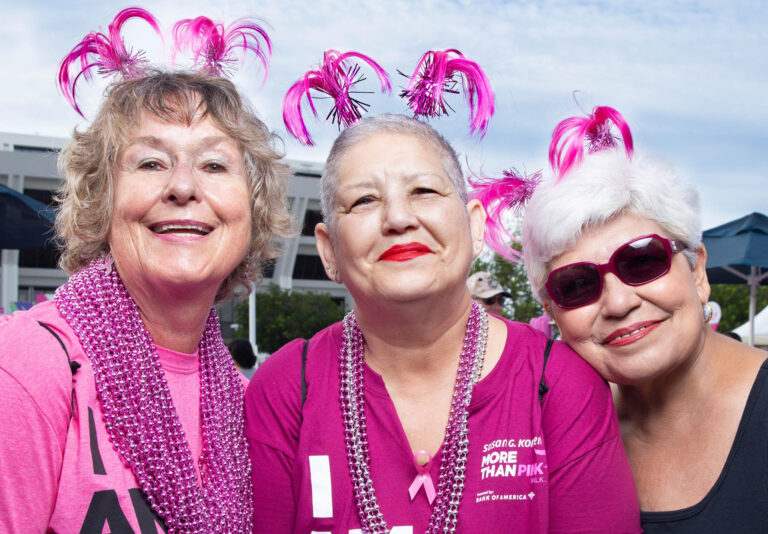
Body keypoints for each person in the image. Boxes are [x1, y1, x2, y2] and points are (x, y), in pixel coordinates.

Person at [245, 114, 641, 533]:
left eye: (424, 190)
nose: (398, 218)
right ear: (328, 251)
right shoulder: (288, 387)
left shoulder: (558, 382)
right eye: (364, 201)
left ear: (473, 226)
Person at [0, 67, 291, 534]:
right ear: (102, 198)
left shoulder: (243, 399)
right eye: (151, 163)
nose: (182, 187)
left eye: (214, 166)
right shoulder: (30, 364)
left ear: (252, 211)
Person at [511, 106, 768, 532]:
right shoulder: (554, 429)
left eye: (642, 260)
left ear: (697, 270)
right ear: (552, 312)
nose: (617, 303)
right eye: (576, 285)